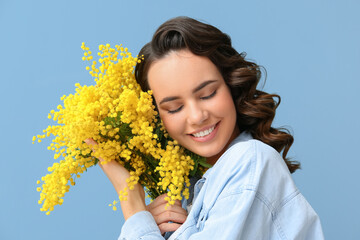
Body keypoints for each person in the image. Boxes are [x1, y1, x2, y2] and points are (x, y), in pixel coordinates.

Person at [87, 16, 324, 239]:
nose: (197, 116)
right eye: (174, 108)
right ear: (157, 119)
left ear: (231, 85)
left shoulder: (251, 161)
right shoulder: (189, 191)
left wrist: (132, 205)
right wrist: (149, 226)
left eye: (208, 94)